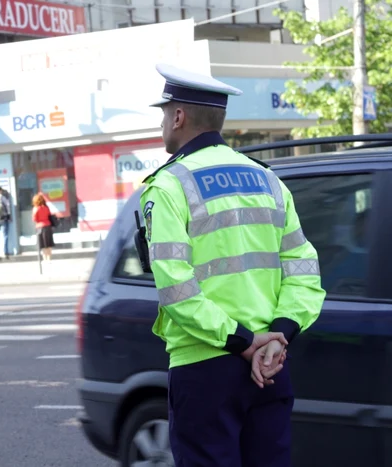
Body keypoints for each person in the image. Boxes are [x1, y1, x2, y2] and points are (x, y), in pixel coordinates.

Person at [137, 64, 326, 467]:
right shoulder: (268, 181)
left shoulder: (169, 185)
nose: (162, 122)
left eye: (163, 113)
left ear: (178, 116)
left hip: (205, 368)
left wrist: (241, 342)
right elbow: (303, 271)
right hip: (271, 367)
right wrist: (278, 335)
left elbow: (176, 290)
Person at [32, 193, 54, 262]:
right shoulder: (46, 207)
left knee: (42, 244)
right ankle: (49, 258)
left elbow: (34, 219)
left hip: (40, 227)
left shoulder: (36, 208)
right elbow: (49, 215)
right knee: (48, 243)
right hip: (48, 225)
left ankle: (45, 259)